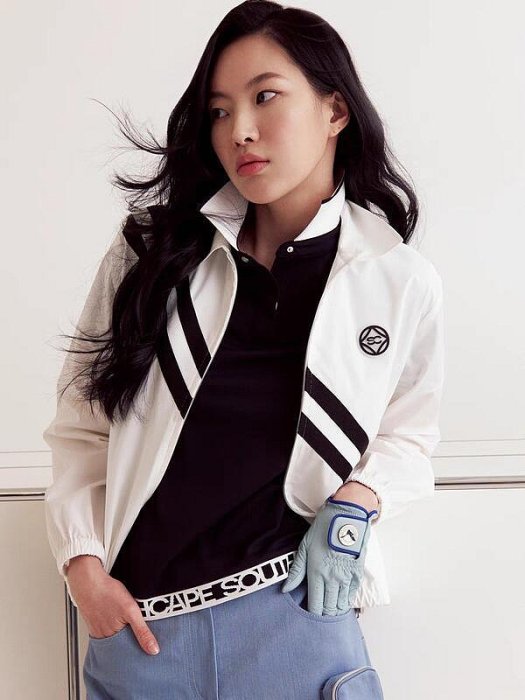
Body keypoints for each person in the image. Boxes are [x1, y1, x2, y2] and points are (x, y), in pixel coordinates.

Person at [42, 1, 444, 698]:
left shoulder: (394, 278)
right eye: (220, 111)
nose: (240, 131)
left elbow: (410, 433)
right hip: (140, 636)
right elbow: (81, 426)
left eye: (265, 97)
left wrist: (356, 502)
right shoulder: (150, 253)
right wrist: (84, 571)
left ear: (335, 110)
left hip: (295, 621)